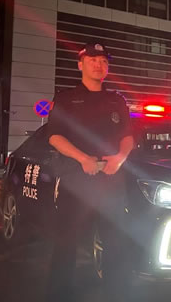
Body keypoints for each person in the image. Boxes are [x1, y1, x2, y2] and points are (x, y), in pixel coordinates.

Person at [46, 43, 134, 301]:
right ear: (80, 64)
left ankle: (118, 294)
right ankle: (59, 295)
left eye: (104, 61)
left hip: (111, 181)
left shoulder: (116, 100)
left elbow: (128, 136)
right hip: (76, 181)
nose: (99, 65)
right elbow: (54, 136)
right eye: (93, 60)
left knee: (116, 244)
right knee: (65, 243)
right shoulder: (65, 98)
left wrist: (120, 158)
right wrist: (83, 158)